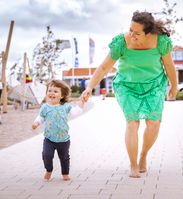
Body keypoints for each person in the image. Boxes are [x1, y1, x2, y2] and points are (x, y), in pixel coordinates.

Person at [81, 11, 177, 178]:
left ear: (149, 32)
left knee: (153, 123)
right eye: (130, 29)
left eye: (137, 32)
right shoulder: (122, 43)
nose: (132, 35)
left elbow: (169, 66)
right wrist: (90, 87)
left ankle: (143, 155)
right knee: (133, 123)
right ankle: (133, 165)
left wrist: (173, 87)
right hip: (127, 86)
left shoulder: (161, 42)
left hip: (154, 86)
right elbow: (104, 67)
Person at [32, 79, 84, 181]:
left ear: (62, 96)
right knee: (47, 155)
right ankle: (48, 170)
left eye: (55, 91)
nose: (52, 93)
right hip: (49, 138)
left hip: (63, 139)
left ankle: (65, 173)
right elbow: (41, 117)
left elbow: (76, 112)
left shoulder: (65, 107)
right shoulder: (45, 107)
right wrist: (36, 123)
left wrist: (82, 103)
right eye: (49, 90)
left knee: (64, 157)